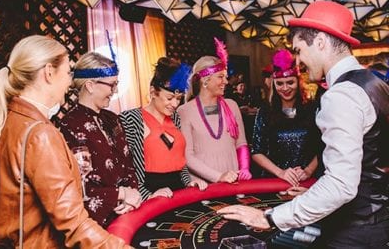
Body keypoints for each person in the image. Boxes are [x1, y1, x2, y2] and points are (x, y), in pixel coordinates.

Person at [218, 1, 389, 248]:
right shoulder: (372, 83)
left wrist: (270, 217)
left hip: (355, 230)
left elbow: (342, 185)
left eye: (299, 50)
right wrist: (314, 192)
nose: (298, 61)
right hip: (377, 220)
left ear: (320, 42)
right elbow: (366, 163)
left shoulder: (340, 95)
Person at [0, 35, 129, 248]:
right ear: (48, 73)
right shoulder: (40, 134)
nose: (70, 81)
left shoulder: (5, 121)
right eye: (68, 72)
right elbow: (73, 223)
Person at [58, 51, 142, 228]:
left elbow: (128, 163)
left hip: (128, 212)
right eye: (112, 85)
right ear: (90, 85)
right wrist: (120, 194)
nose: (115, 91)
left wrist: (132, 195)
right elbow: (79, 184)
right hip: (96, 224)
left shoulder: (112, 119)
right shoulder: (70, 125)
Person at [119, 57, 207, 201]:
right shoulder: (131, 118)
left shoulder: (175, 118)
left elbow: (179, 161)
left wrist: (189, 181)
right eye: (170, 97)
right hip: (149, 192)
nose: (174, 104)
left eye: (178, 98)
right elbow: (127, 168)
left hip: (178, 190)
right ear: (153, 92)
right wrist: (148, 195)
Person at [178, 38, 252, 183]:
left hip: (233, 180)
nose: (225, 81)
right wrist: (218, 177)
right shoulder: (184, 110)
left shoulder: (232, 105)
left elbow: (241, 143)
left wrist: (244, 168)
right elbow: (188, 156)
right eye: (220, 77)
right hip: (203, 185)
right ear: (205, 80)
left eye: (225, 77)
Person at [251, 49, 321, 186]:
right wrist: (280, 173)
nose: (285, 88)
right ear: (273, 84)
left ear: (299, 82)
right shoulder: (265, 111)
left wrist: (307, 171)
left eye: (290, 82)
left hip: (307, 182)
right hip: (274, 182)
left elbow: (324, 146)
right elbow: (256, 152)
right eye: (280, 83)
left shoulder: (312, 108)